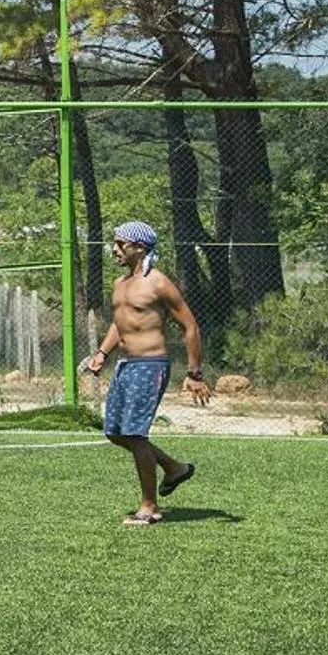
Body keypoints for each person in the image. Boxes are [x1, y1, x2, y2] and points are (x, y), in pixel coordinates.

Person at [82, 221, 206, 526]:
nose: (114, 249)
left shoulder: (158, 283)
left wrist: (194, 373)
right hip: (125, 364)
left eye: (120, 244)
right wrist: (102, 353)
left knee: (135, 435)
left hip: (150, 365)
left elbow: (190, 326)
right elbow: (120, 323)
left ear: (140, 247)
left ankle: (149, 506)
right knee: (115, 432)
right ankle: (173, 467)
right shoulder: (120, 284)